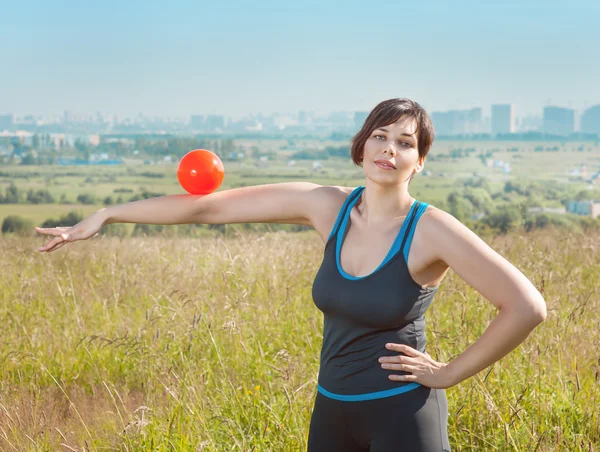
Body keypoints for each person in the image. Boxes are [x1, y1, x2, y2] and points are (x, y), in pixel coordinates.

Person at [35, 98, 547, 451]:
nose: (390, 149)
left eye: (406, 143)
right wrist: (105, 216)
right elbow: (206, 209)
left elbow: (526, 306)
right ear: (362, 147)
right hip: (332, 411)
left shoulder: (432, 229)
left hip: (402, 415)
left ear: (420, 162)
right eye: (380, 136)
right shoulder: (326, 207)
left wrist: (449, 373)